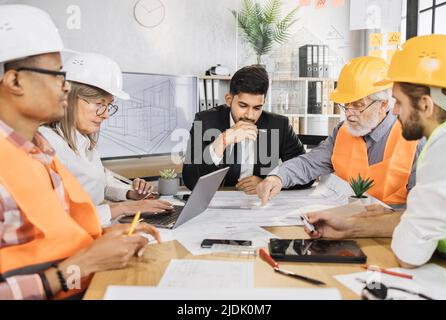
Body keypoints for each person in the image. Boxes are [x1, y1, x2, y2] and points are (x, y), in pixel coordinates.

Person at [0, 4, 159, 300]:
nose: (65, 88)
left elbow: (57, 237)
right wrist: (81, 265)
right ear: (15, 80)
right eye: (58, 76)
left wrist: (99, 241)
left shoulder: (38, 152)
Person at [303, 34, 446, 268]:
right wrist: (350, 226)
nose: (394, 112)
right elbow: (414, 220)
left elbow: (409, 254)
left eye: (398, 103)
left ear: (425, 105)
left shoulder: (445, 145)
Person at [257, 56, 425, 207]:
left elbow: (422, 210)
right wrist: (277, 177)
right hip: (343, 222)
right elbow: (310, 162)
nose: (349, 113)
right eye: (346, 104)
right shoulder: (342, 131)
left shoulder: (414, 139)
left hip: (390, 231)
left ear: (383, 104)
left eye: (358, 105)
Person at [40, 52, 173, 226]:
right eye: (99, 104)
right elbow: (58, 217)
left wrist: (130, 193)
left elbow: (99, 182)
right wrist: (126, 208)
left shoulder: (84, 140)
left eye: (109, 105)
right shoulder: (47, 144)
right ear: (69, 97)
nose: (106, 114)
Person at [183, 65, 312, 194]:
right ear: (229, 100)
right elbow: (191, 181)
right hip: (220, 201)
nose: (250, 115)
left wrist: (270, 182)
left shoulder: (279, 124)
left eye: (257, 108)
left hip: (261, 204)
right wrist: (222, 141)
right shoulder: (205, 121)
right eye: (243, 105)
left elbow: (306, 173)